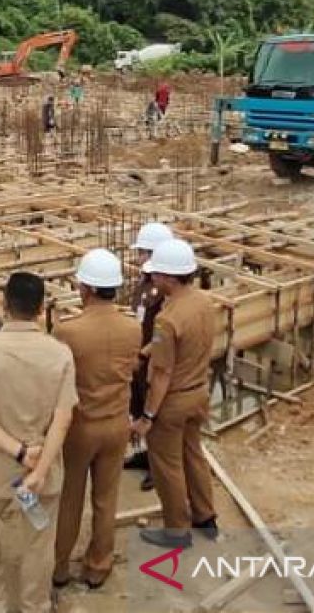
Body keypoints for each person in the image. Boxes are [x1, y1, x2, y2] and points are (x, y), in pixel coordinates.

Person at [0, 272, 77, 613]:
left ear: (4, 304)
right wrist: (38, 467)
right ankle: (35, 605)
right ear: (42, 308)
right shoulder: (60, 355)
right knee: (38, 543)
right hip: (42, 472)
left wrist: (17, 452)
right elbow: (63, 418)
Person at [53, 249, 141, 589]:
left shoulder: (68, 331)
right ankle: (98, 567)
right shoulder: (132, 328)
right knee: (106, 499)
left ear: (85, 288)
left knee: (70, 497)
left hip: (80, 427)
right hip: (117, 425)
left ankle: (60, 567)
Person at [132, 239, 217, 549]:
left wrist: (147, 416)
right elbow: (177, 343)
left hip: (174, 401)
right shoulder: (203, 302)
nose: (152, 279)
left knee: (167, 466)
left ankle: (176, 530)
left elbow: (163, 373)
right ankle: (205, 516)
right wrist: (144, 351)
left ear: (169, 277)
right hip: (199, 393)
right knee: (193, 453)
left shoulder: (167, 319)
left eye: (156, 275)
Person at [126, 222, 176, 491]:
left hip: (151, 357)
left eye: (143, 252)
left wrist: (147, 354)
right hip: (139, 354)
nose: (139, 257)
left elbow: (162, 334)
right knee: (138, 404)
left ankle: (157, 465)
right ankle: (145, 455)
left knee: (153, 410)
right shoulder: (145, 282)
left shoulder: (164, 292)